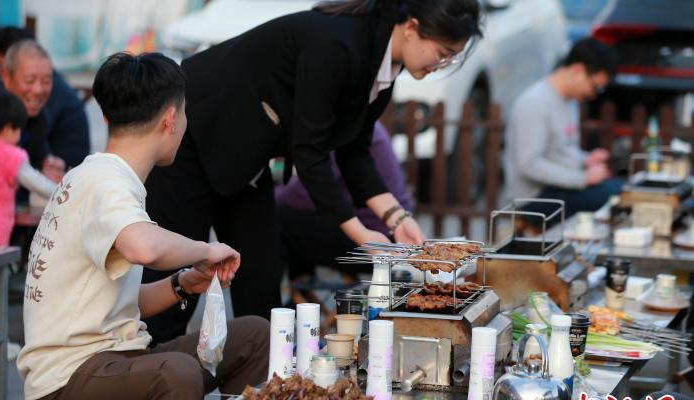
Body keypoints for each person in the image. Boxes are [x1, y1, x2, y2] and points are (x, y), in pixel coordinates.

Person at [143, 0, 484, 343]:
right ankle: (150, 368)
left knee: (261, 284)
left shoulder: (383, 63)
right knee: (175, 286)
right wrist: (360, 234)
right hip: (193, 137)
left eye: (451, 59)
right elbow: (311, 154)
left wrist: (396, 219)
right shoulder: (340, 45)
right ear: (411, 27)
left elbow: (354, 150)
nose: (441, 65)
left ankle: (257, 374)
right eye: (443, 53)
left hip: (246, 158)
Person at [16, 52, 271, 400]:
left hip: (119, 362)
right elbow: (144, 248)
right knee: (175, 374)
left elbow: (113, 302)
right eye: (184, 114)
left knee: (256, 336)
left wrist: (181, 284)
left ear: (107, 118)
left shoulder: (102, 179)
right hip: (68, 381)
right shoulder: (106, 183)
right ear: (171, 119)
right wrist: (207, 249)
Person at [277, 121, 414, 280]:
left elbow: (306, 193)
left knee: (280, 217)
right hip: (390, 231)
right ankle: (303, 287)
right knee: (295, 217)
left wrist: (272, 194)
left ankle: (294, 287)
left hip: (377, 237)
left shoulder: (345, 129)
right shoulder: (368, 125)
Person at [503, 38, 622, 218]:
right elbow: (529, 164)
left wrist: (586, 159)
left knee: (621, 190)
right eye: (595, 87)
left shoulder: (568, 100)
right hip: (532, 199)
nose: (593, 95)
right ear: (578, 71)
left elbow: (561, 151)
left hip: (556, 189)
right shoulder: (535, 103)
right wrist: (582, 178)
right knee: (617, 195)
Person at [0, 27, 91, 168]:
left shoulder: (40, 117)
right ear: (6, 77)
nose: (38, 90)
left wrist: (50, 166)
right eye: (30, 80)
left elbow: (39, 161)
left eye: (46, 81)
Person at [0, 88, 57, 246]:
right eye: (18, 130)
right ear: (8, 128)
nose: (19, 135)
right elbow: (37, 183)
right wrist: (61, 192)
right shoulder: (11, 156)